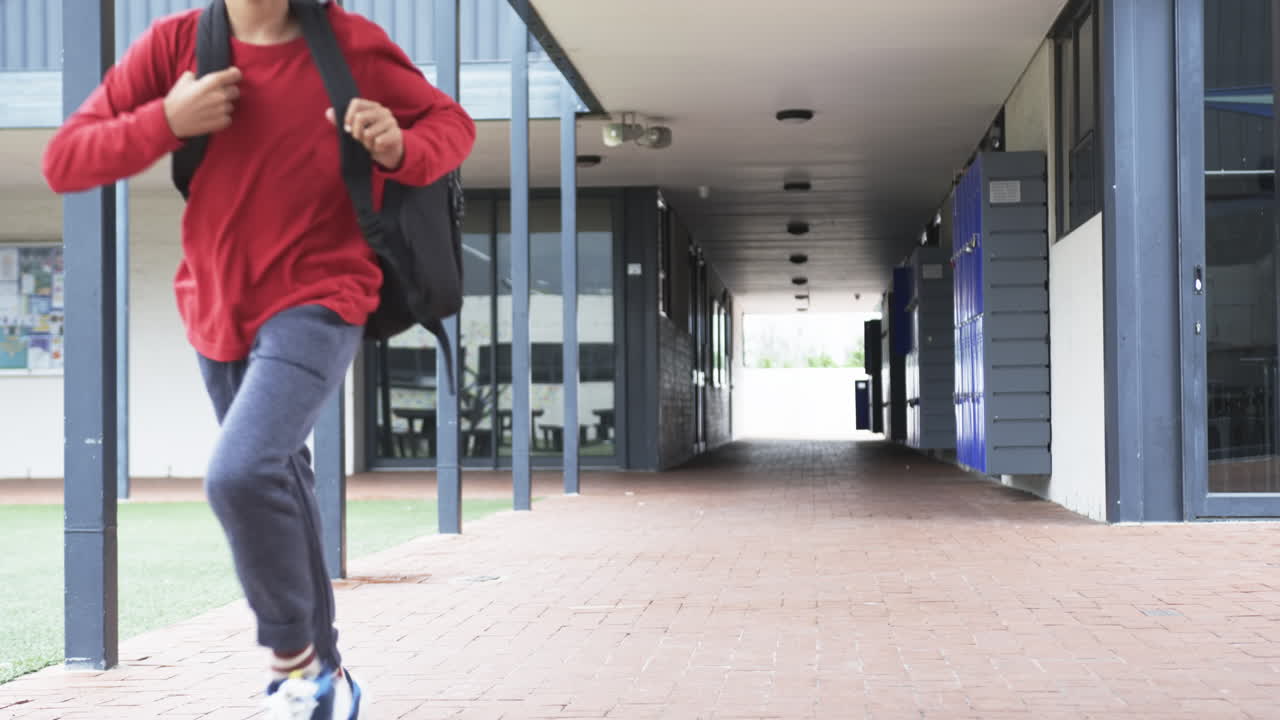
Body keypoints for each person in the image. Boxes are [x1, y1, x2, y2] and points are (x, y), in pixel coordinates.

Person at [42, 0, 476, 717]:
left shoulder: (350, 45)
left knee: (240, 472)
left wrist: (400, 147)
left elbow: (451, 125)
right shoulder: (178, 45)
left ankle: (293, 664)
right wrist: (166, 122)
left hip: (324, 294)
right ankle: (329, 681)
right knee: (283, 476)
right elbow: (65, 161)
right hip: (216, 307)